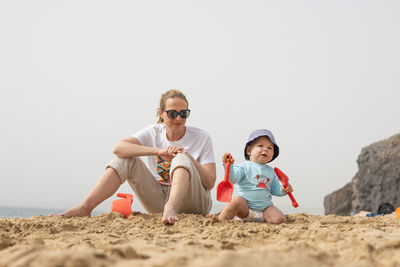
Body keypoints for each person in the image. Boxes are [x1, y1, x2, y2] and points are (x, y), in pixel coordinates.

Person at [59, 89, 216, 224]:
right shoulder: (153, 132)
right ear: (162, 114)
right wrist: (158, 152)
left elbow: (209, 182)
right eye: (172, 113)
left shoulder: (201, 137)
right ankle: (85, 207)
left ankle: (172, 207)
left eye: (183, 113)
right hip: (159, 198)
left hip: (193, 202)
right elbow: (118, 148)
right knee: (125, 159)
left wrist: (187, 157)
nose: (179, 118)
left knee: (180, 157)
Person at [217, 129, 293, 224]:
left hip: (265, 208)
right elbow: (233, 179)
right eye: (260, 146)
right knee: (235, 201)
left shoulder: (271, 171)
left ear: (273, 154)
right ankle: (219, 220)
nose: (265, 149)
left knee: (280, 219)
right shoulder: (244, 167)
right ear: (249, 150)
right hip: (245, 208)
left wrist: (283, 189)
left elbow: (275, 189)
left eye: (270, 148)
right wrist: (229, 166)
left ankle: (260, 218)